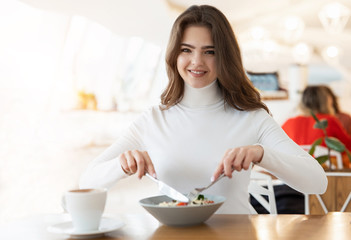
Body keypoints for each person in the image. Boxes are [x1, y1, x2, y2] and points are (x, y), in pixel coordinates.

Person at [79, 5, 327, 214]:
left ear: (225, 58)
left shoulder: (252, 118)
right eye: (187, 50)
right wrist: (121, 166)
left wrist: (262, 155)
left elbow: (318, 182)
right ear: (175, 55)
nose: (197, 61)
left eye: (210, 52)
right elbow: (86, 181)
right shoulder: (153, 120)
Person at [282, 85, 351, 168]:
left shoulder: (288, 122)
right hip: (325, 172)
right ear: (326, 102)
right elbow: (347, 147)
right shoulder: (328, 121)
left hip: (294, 171)